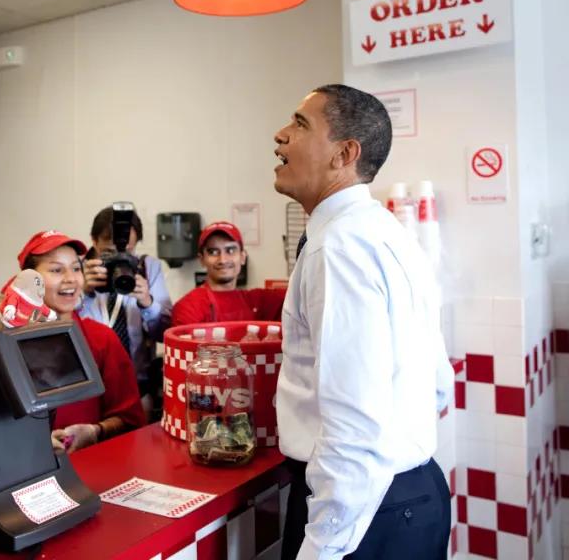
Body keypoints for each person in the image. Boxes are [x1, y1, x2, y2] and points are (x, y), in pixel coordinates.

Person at [273, 85, 453, 560]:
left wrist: (322, 547)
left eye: (300, 124)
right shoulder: (384, 230)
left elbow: (353, 420)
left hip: (363, 515)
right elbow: (437, 382)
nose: (280, 135)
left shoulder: (337, 248)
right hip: (410, 496)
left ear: (344, 154)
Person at [17, 230, 147, 453]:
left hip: (90, 464)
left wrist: (95, 431)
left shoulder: (101, 339)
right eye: (57, 270)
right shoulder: (10, 344)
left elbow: (130, 419)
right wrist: (34, 441)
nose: (71, 278)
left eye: (76, 268)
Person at [78, 207, 171, 407]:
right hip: (87, 388)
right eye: (109, 253)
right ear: (94, 241)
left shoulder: (148, 267)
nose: (120, 259)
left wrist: (148, 303)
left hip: (137, 385)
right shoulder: (75, 269)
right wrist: (82, 293)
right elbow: (60, 325)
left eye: (128, 252)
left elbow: (165, 333)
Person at [170, 221, 286, 326]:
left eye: (230, 250)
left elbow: (295, 296)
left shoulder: (257, 301)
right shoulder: (188, 308)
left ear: (242, 257)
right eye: (213, 252)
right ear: (202, 260)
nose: (223, 260)